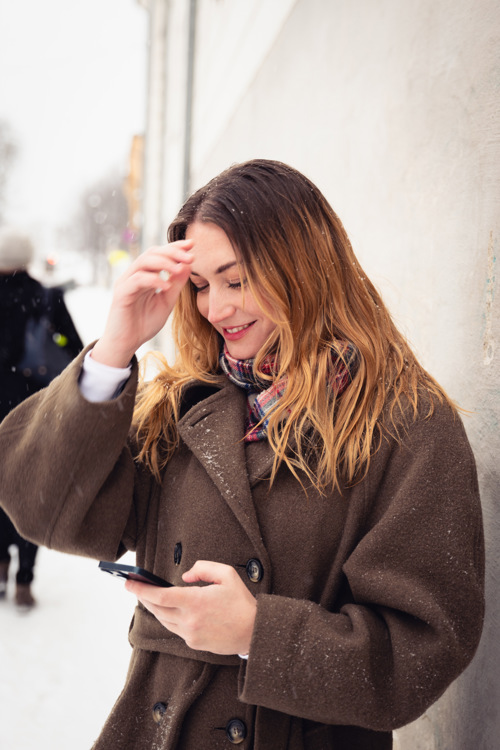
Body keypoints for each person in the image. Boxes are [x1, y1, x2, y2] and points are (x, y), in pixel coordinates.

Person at [0, 160, 484, 748]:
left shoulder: (405, 422)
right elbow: (40, 504)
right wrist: (114, 349)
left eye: (237, 279)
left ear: (303, 266)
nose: (213, 308)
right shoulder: (183, 408)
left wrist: (260, 633)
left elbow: (425, 647)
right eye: (200, 285)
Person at [0, 227, 83, 608]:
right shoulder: (45, 297)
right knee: (28, 489)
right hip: (33, 408)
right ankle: (24, 581)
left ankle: (0, 565)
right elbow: (75, 348)